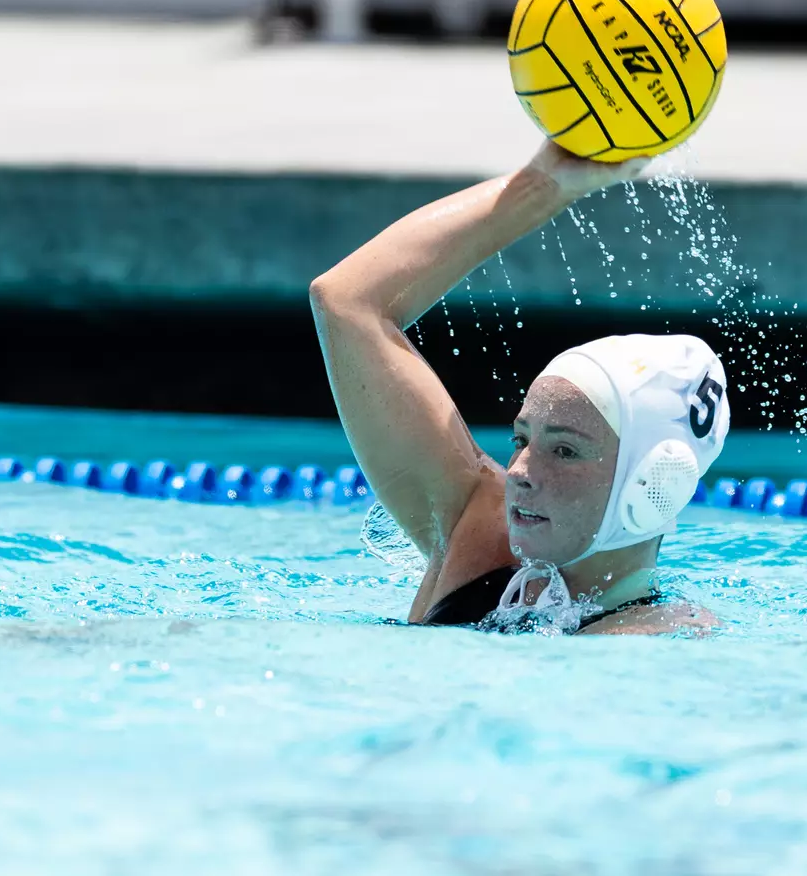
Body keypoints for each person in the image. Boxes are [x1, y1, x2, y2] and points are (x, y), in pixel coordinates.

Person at [310, 143, 728, 635]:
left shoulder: (669, 639)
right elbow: (347, 302)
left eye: (566, 450)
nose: (518, 473)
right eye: (521, 439)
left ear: (656, 482)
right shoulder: (477, 526)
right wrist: (544, 185)